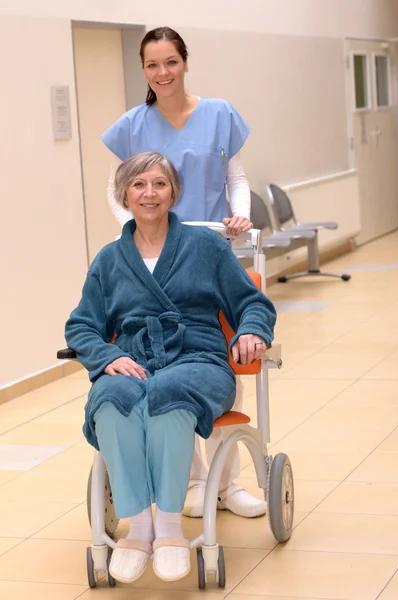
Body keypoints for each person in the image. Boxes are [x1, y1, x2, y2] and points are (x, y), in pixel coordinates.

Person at [65, 153, 276, 584]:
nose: (149, 193)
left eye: (159, 184)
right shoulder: (109, 259)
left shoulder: (207, 247)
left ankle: (169, 529)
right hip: (133, 359)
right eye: (139, 184)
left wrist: (251, 330)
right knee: (110, 399)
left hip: (198, 358)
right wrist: (107, 358)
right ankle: (138, 530)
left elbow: (250, 301)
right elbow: (82, 325)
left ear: (173, 193)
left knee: (169, 396)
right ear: (124, 193)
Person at [101, 26, 265, 519]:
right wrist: (137, 227)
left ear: (185, 62)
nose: (162, 72)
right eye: (152, 65)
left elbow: (236, 179)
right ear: (144, 70)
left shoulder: (218, 114)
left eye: (170, 61)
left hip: (210, 251)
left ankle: (227, 483)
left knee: (212, 358)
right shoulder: (132, 124)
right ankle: (193, 481)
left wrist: (240, 216)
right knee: (165, 362)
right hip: (152, 257)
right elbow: (117, 193)